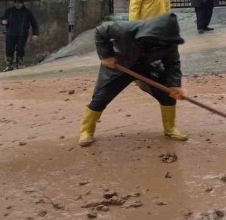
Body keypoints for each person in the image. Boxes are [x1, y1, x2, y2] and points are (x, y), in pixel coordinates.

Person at [79, 13, 188, 147]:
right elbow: (100, 31)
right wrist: (106, 55)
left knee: (167, 95)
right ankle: (86, 132)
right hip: (120, 66)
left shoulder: (170, 43)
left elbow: (173, 64)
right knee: (101, 98)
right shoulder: (128, 28)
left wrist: (174, 84)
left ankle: (170, 129)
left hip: (147, 68)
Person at [0, 0, 39, 71]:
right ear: (14, 3)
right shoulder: (9, 11)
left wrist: (35, 34)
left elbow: (34, 24)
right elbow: (1, 19)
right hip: (10, 33)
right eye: (16, 3)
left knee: (20, 49)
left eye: (19, 3)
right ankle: (9, 65)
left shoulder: (27, 12)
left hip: (22, 34)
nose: (17, 4)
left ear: (22, 3)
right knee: (9, 49)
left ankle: (19, 64)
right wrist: (3, 21)